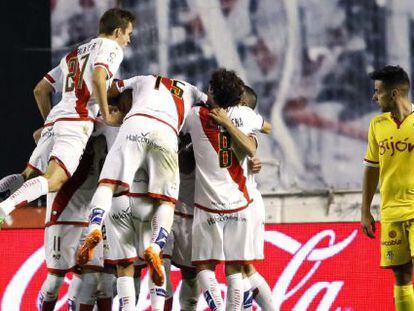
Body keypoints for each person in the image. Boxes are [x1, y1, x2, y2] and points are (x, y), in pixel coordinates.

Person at [76, 73, 209, 311]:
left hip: (121, 197)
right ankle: (156, 247)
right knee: (167, 204)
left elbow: (104, 95)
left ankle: (93, 226)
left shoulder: (130, 95)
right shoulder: (191, 93)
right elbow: (214, 108)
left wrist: (103, 112)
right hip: (153, 192)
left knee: (123, 268)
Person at [0, 8, 135, 225]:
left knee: (27, 176)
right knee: (54, 179)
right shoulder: (111, 48)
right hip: (76, 122)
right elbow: (100, 78)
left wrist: (50, 124)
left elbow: (40, 90)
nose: (128, 40)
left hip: (58, 117)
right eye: (128, 34)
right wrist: (108, 114)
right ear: (118, 31)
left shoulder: (74, 54)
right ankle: (4, 209)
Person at [182, 69, 271, 310]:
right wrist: (232, 124)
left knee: (203, 266)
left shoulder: (194, 116)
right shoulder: (245, 113)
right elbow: (265, 131)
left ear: (211, 91)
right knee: (237, 269)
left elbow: (181, 142)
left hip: (208, 206)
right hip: (241, 204)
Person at [361, 65, 414, 311]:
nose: (374, 97)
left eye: (378, 91)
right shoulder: (377, 125)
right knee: (401, 274)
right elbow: (372, 169)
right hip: (391, 212)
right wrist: (365, 210)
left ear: (394, 94)